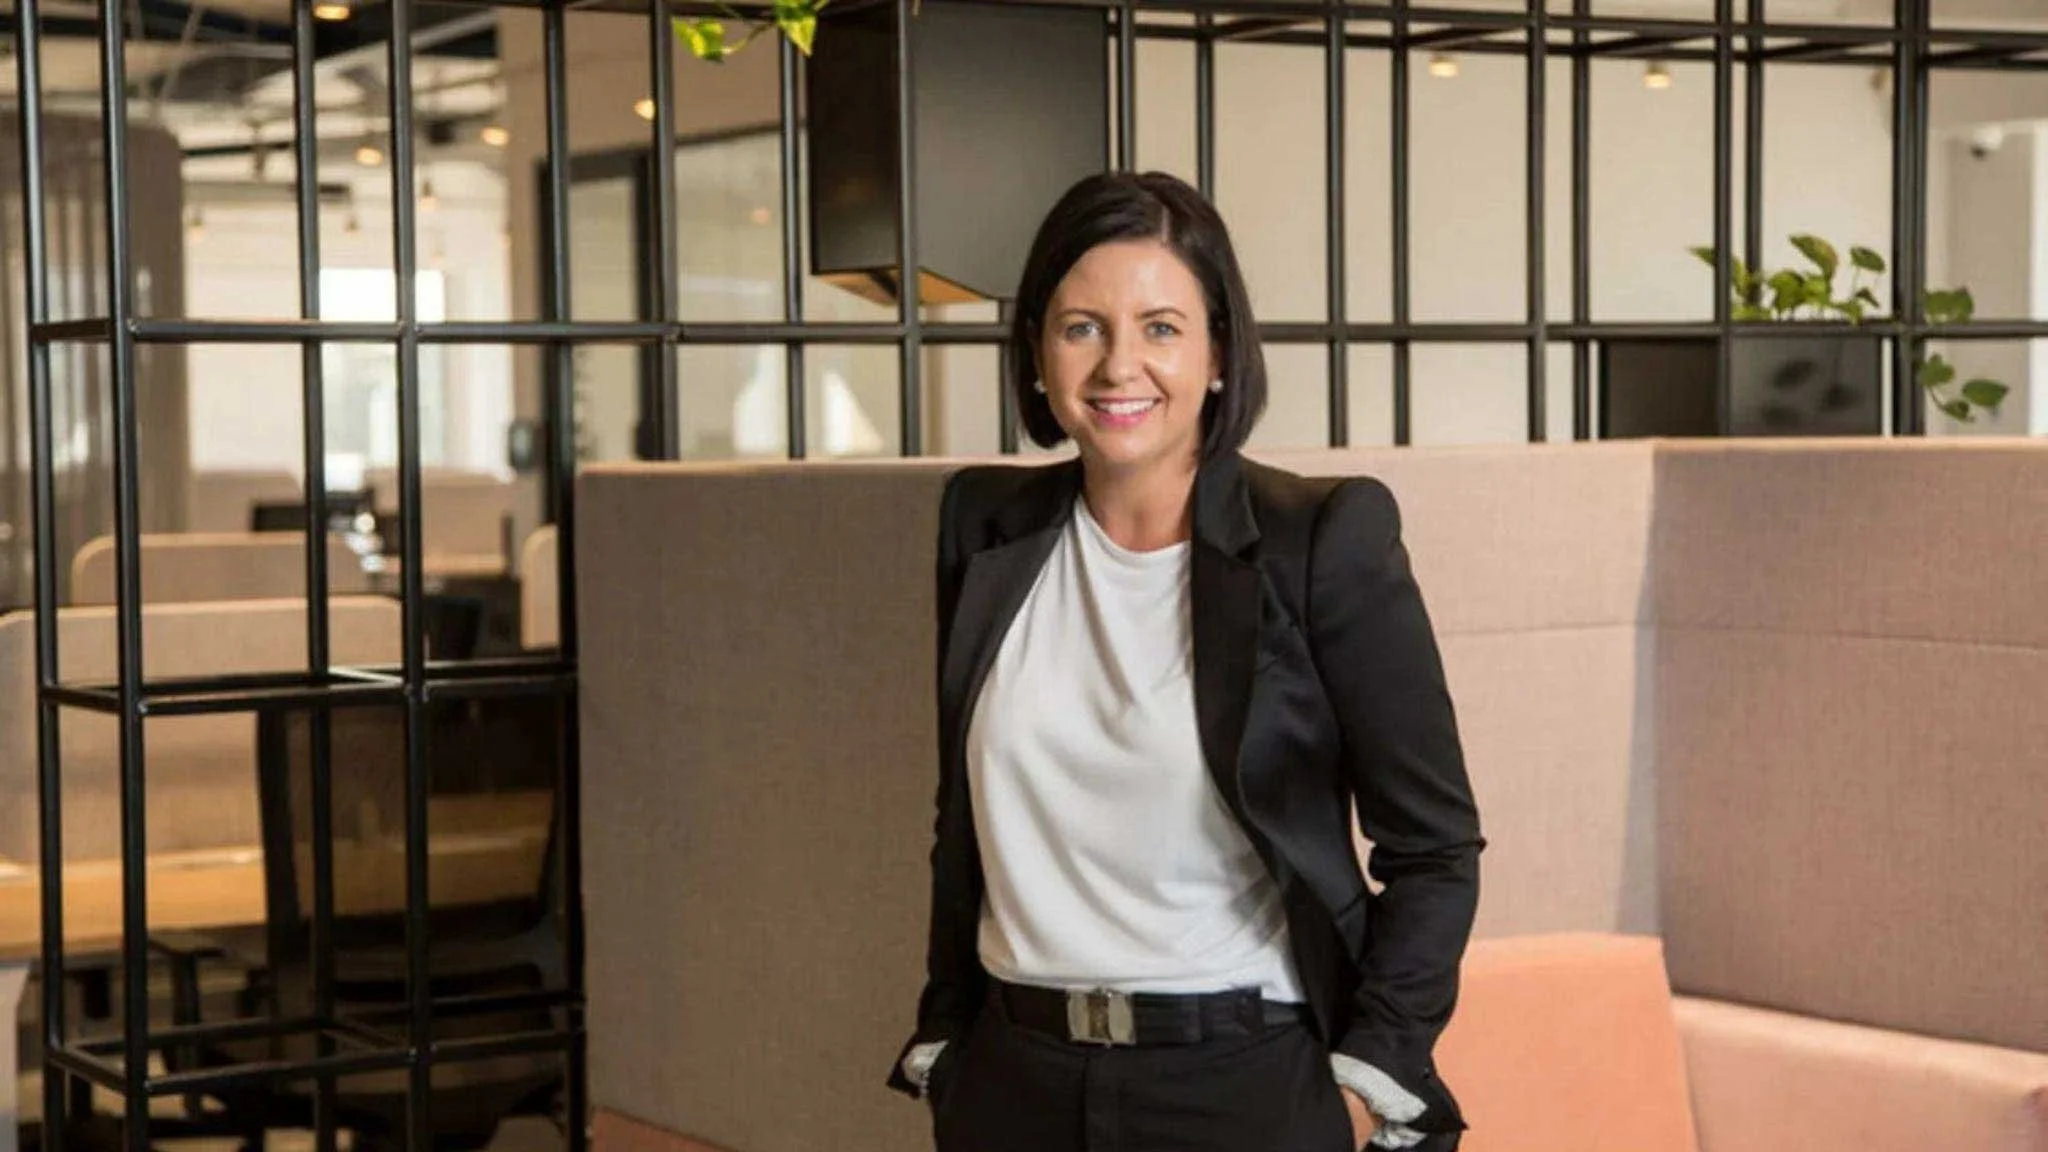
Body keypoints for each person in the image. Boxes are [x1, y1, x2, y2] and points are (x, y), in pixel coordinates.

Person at [885, 170, 1484, 1152]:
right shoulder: (984, 525)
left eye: (1160, 327)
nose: (1118, 365)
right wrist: (947, 1038)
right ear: (1036, 352)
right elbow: (963, 817)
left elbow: (1434, 847)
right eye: (1081, 327)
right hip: (1012, 1084)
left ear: (1218, 354)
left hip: (1239, 1083)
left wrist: (1364, 1081)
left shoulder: (1320, 540)